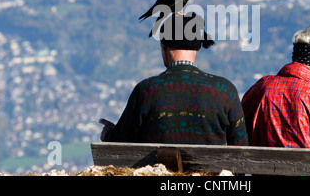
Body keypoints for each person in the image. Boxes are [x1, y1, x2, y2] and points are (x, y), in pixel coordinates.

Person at [100, 12, 248, 146]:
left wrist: (108, 134)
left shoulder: (146, 91)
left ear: (163, 46)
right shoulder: (224, 90)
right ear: (197, 48)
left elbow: (120, 143)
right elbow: (241, 148)